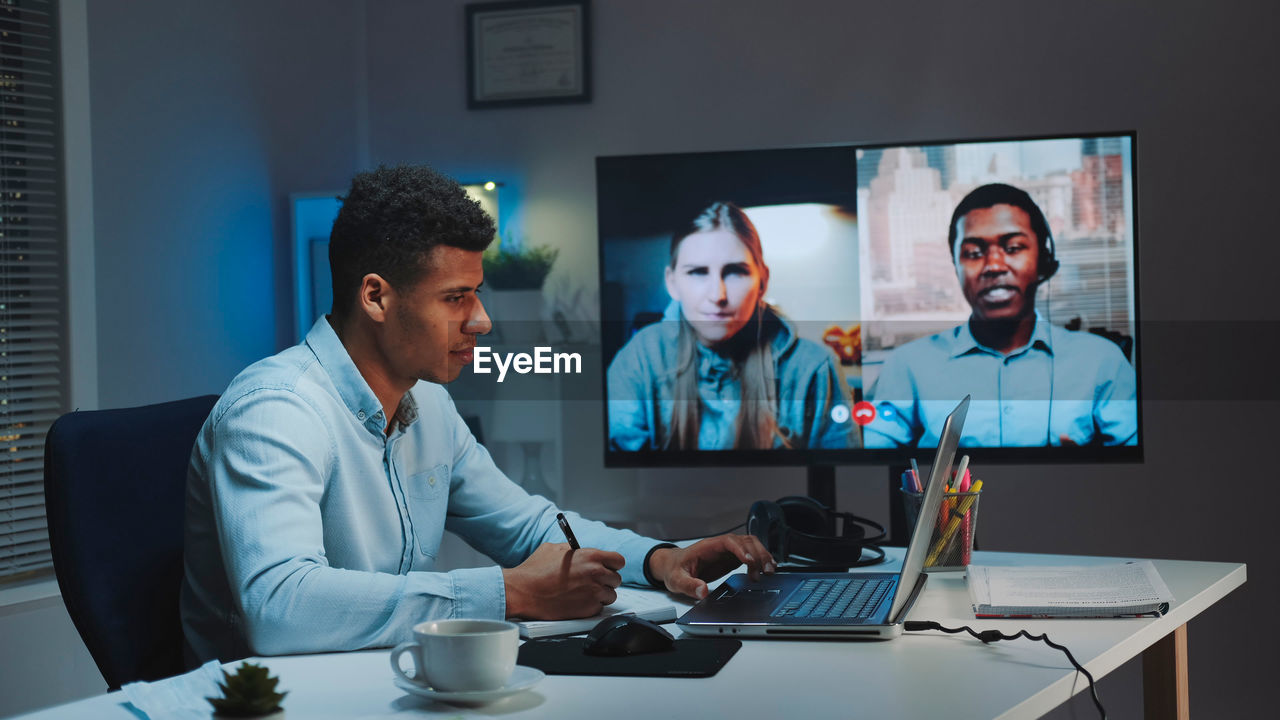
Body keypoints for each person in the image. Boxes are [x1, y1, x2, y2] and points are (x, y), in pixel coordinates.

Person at [180, 166, 775, 664]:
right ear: (376, 296)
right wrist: (508, 592)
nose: (482, 320)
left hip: (384, 684)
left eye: (477, 291)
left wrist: (660, 558)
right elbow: (279, 610)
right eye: (455, 297)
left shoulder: (427, 401)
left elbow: (527, 525)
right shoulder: (276, 412)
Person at [864, 183, 1137, 448]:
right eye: (973, 253)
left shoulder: (1102, 362)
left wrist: (1092, 472)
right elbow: (871, 475)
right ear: (956, 266)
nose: (993, 266)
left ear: (1044, 259)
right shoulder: (907, 366)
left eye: (1013, 248)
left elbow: (1144, 475)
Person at [607, 201, 851, 451]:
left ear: (763, 281)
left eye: (735, 271)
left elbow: (844, 479)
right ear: (672, 283)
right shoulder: (638, 360)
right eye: (698, 272)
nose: (718, 295)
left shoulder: (814, 368)